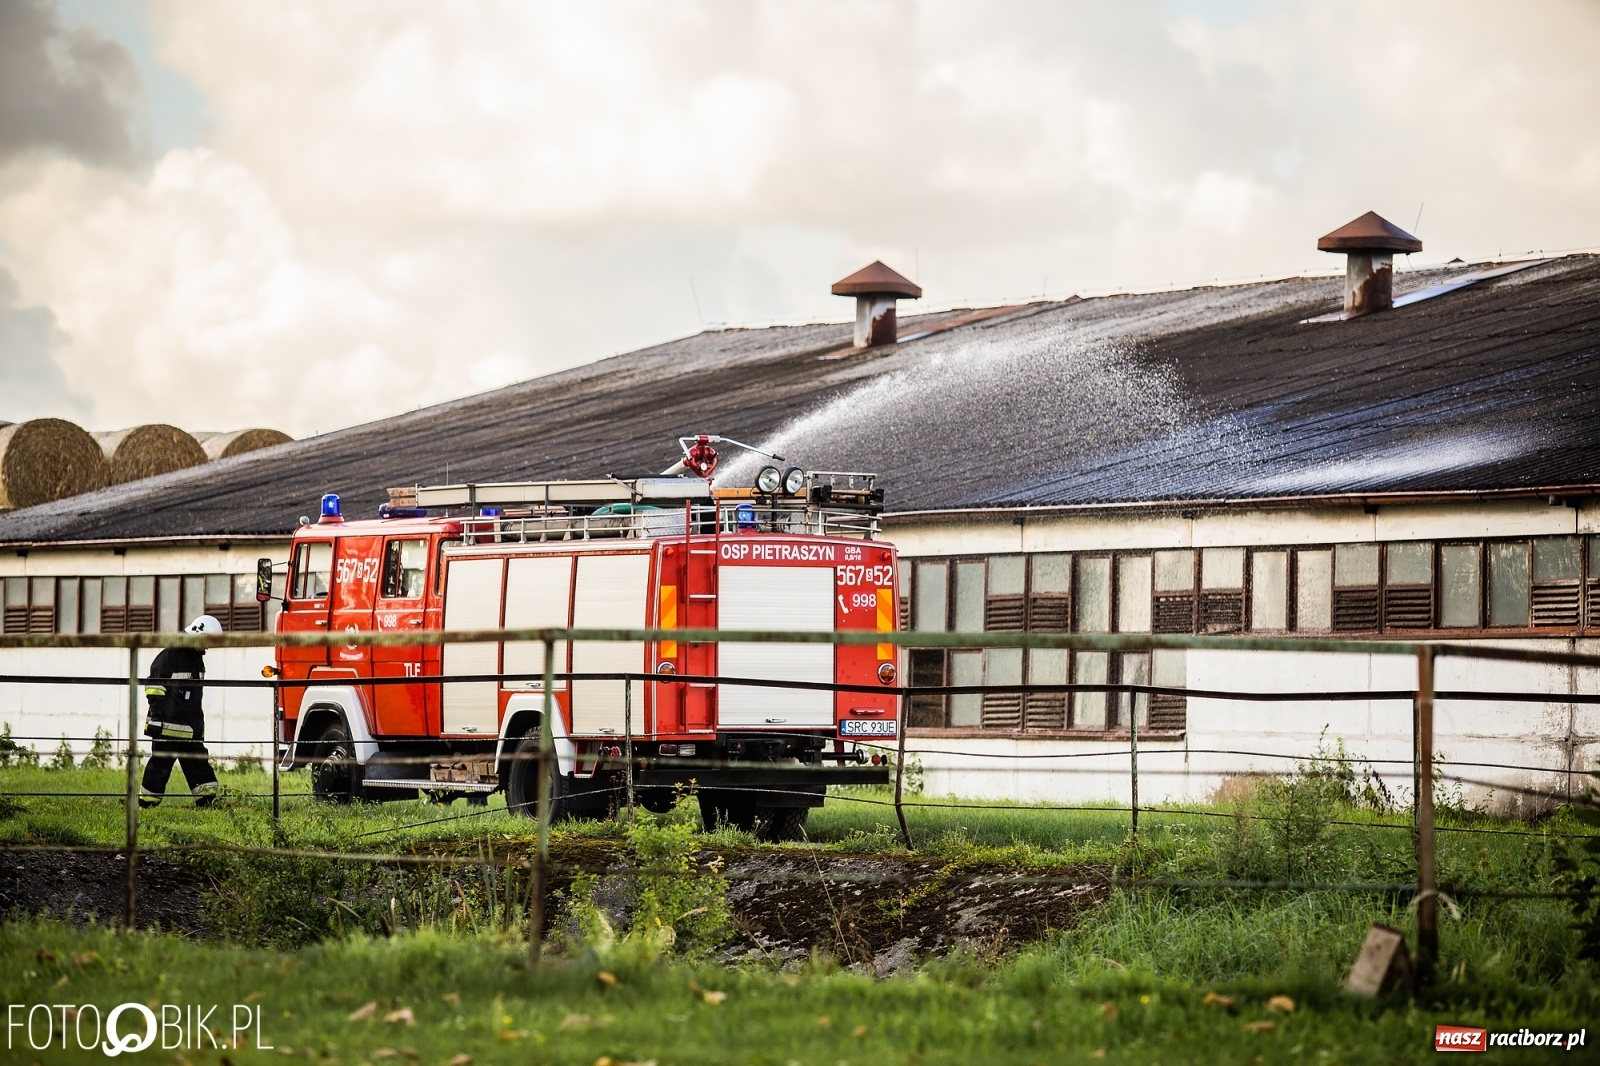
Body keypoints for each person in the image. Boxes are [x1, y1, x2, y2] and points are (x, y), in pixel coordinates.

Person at [139, 615, 223, 808]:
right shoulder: (171, 655)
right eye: (208, 641)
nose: (209, 647)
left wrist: (197, 726)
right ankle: (146, 806)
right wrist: (159, 718)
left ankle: (209, 804)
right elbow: (153, 688)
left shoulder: (194, 659)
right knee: (159, 768)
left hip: (188, 728)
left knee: (199, 765)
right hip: (168, 727)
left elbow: (192, 699)